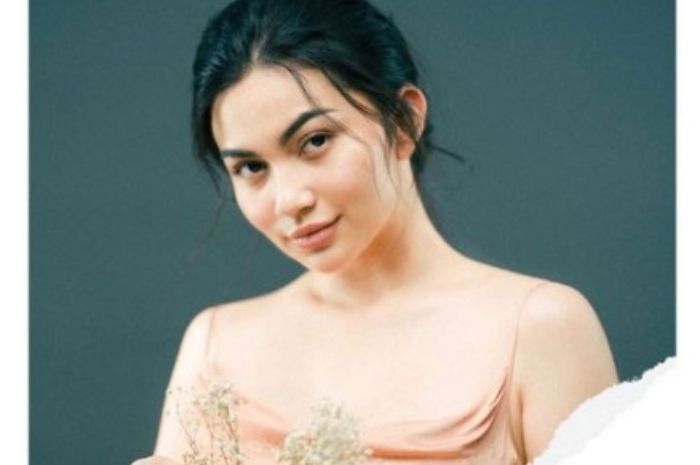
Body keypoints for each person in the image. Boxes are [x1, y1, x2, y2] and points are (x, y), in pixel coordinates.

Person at [131, 0, 618, 464]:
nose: (289, 200)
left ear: (404, 120)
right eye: (252, 168)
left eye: (315, 141)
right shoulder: (216, 346)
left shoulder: (540, 330)